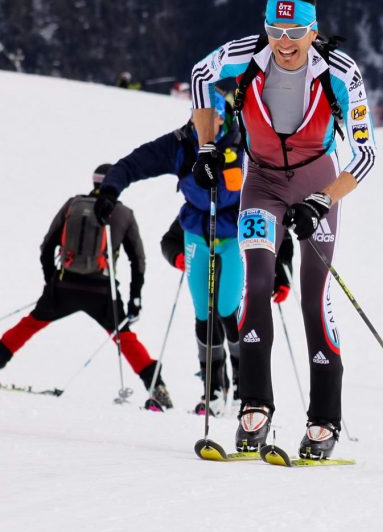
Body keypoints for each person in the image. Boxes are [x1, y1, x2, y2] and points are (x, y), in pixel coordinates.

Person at [189, 0, 377, 460]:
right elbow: (199, 76)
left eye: (296, 31)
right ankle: (255, 408)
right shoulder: (245, 54)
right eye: (276, 29)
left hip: (320, 185)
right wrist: (208, 145)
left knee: (313, 298)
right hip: (262, 185)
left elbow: (366, 156)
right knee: (256, 283)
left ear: (314, 31)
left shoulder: (341, 71)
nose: (285, 42)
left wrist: (321, 201)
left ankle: (324, 421)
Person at [96, 90, 250, 414]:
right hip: (196, 231)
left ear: (225, 118)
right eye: (200, 116)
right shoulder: (180, 145)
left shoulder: (244, 143)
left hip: (234, 233)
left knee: (227, 308)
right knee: (203, 313)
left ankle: (243, 387)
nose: (206, 124)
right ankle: (213, 391)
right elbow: (134, 163)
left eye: (215, 117)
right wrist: (110, 190)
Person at [0, 166, 167, 403]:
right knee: (124, 337)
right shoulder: (124, 214)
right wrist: (135, 298)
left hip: (64, 284)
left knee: (29, 325)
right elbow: (137, 261)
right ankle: (157, 387)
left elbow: (47, 247)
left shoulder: (73, 205)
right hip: (102, 291)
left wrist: (52, 281)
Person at [158, 216, 294, 410]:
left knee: (230, 314)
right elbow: (169, 240)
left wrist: (282, 274)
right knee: (205, 319)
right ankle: (213, 390)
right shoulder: (200, 205)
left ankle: (243, 388)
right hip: (202, 260)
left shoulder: (244, 200)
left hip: (236, 258)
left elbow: (277, 234)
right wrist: (177, 256)